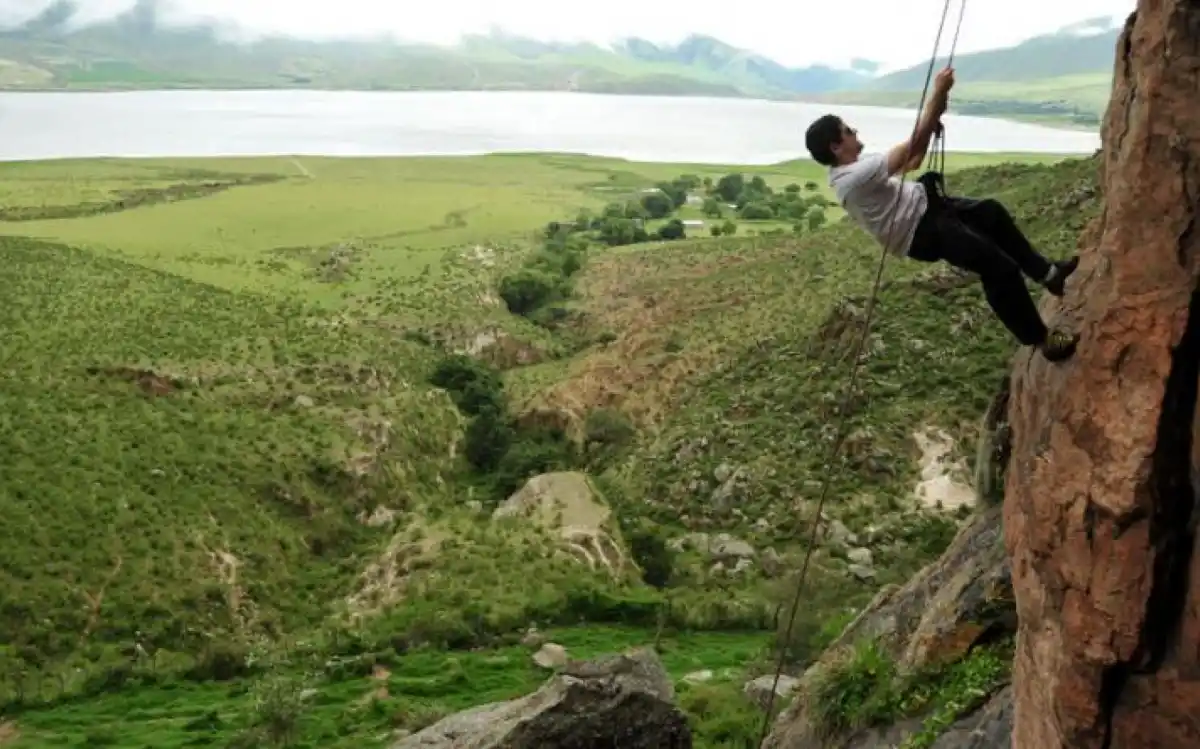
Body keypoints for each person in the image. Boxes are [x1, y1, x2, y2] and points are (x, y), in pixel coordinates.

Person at [803, 67, 1080, 362]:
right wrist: (939, 93)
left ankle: (1048, 274)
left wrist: (932, 116)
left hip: (928, 209)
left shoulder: (856, 168)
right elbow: (914, 143)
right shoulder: (854, 177)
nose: (854, 132)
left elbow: (914, 158)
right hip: (923, 229)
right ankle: (1042, 341)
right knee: (1000, 270)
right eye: (848, 131)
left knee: (991, 212)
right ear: (836, 146)